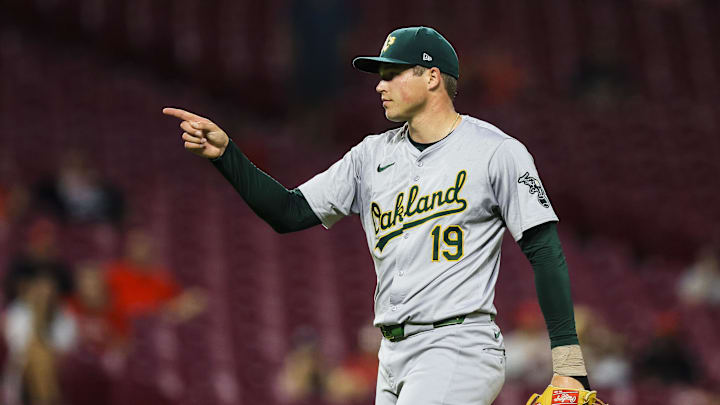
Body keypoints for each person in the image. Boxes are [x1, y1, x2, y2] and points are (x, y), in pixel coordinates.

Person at [164, 26, 594, 405]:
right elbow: (289, 212)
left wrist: (569, 365)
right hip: (391, 355)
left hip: (458, 344)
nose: (379, 85)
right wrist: (227, 156)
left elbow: (544, 250)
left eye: (392, 73)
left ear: (432, 77)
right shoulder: (370, 156)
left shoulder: (496, 152)